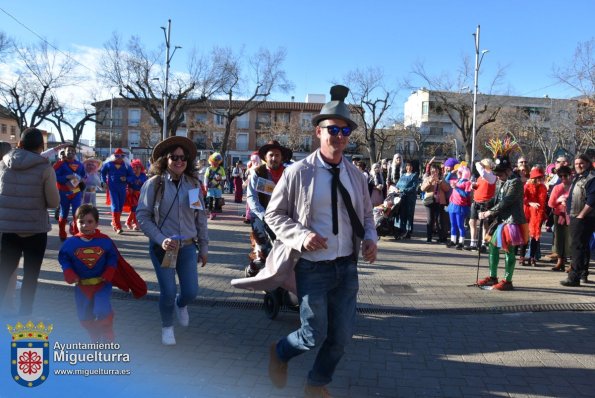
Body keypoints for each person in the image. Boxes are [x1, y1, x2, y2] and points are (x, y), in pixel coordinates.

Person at [264, 85, 377, 397]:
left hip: (347, 266)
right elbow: (273, 215)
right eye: (332, 129)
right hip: (313, 268)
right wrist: (301, 236)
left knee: (340, 337)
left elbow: (367, 216)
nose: (339, 135)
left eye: (344, 130)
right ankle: (281, 351)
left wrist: (370, 238)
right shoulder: (298, 172)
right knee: (314, 334)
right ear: (318, 131)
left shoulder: (356, 175)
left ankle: (316, 383)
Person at [136, 136, 209, 345]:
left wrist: (204, 246)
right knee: (168, 292)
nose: (179, 161)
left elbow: (200, 217)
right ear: (164, 160)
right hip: (164, 249)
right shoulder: (154, 184)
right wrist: (161, 239)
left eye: (183, 157)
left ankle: (181, 304)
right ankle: (167, 326)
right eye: (174, 157)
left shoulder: (193, 185)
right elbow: (142, 216)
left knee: (190, 292)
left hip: (187, 247)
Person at [0, 128, 60, 315]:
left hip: (8, 228)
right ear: (40, 147)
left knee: (4, 273)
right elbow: (53, 202)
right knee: (30, 276)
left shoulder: (4, 164)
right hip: (35, 229)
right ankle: (25, 313)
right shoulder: (45, 168)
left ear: (20, 143)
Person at [58, 205, 118, 342]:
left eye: (90, 222)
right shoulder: (70, 243)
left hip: (101, 284)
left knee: (102, 310)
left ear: (97, 223)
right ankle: (94, 333)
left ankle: (107, 329)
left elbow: (112, 257)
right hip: (82, 286)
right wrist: (68, 271)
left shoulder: (105, 241)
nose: (85, 225)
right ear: (75, 223)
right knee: (84, 315)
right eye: (81, 222)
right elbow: (64, 258)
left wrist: (110, 270)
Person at [478, 139, 529, 291]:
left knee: (509, 250)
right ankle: (492, 276)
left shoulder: (515, 182)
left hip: (512, 220)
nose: (498, 176)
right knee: (493, 246)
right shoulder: (502, 180)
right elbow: (496, 197)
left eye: (500, 173)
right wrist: (485, 203)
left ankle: (508, 280)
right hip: (501, 219)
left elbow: (505, 202)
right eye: (497, 173)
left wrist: (489, 212)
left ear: (508, 170)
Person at [245, 140, 292, 277]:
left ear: (282, 157)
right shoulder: (257, 173)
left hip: (283, 217)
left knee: (282, 250)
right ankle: (254, 266)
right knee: (263, 250)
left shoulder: (289, 173)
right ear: (265, 157)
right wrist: (264, 216)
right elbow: (251, 198)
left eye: (277, 155)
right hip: (262, 216)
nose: (274, 158)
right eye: (271, 155)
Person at [560, 154, 595, 286]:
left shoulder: (591, 178)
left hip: (584, 217)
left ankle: (574, 277)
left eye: (581, 163)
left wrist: (581, 215)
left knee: (577, 246)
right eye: (576, 164)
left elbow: (592, 200)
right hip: (576, 215)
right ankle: (582, 275)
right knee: (582, 246)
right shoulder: (578, 177)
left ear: (588, 163)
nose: (578, 165)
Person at [55, 145, 86, 240]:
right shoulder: (59, 165)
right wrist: (66, 177)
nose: (71, 152)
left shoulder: (80, 165)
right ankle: (62, 232)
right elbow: (53, 177)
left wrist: (81, 180)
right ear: (65, 152)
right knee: (64, 213)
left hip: (76, 192)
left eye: (73, 151)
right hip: (64, 192)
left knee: (76, 213)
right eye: (68, 151)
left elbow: (84, 177)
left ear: (75, 153)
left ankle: (77, 233)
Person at [466, 159, 496, 251]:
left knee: (485, 223)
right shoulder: (481, 177)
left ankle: (484, 243)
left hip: (485, 202)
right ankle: (473, 243)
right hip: (476, 201)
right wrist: (473, 186)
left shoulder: (491, 176)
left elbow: (482, 172)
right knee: (472, 222)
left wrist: (478, 164)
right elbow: (480, 185)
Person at [520, 166, 548, 266]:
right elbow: (522, 198)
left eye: (541, 177)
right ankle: (522, 257)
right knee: (525, 236)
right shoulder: (527, 186)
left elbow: (544, 202)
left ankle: (532, 257)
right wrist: (531, 203)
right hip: (527, 213)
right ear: (533, 178)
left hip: (538, 215)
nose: (540, 179)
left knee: (535, 237)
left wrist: (543, 214)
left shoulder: (543, 188)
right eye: (538, 178)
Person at [101, 148, 133, 234]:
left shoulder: (126, 165)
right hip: (112, 189)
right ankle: (118, 227)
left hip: (122, 189)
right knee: (115, 206)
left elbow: (131, 176)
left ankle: (114, 222)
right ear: (113, 156)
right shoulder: (109, 164)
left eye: (121, 156)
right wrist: (103, 182)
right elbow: (103, 173)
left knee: (120, 206)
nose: (119, 157)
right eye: (117, 155)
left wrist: (126, 179)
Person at [547, 165, 572, 272]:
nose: (563, 178)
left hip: (571, 215)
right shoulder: (557, 187)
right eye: (560, 176)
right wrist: (558, 200)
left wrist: (568, 201)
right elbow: (550, 203)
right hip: (559, 215)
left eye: (565, 175)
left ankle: (572, 263)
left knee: (570, 239)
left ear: (570, 175)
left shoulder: (574, 186)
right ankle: (560, 261)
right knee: (559, 238)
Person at [420, 162, 450, 243]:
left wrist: (440, 182)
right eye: (432, 171)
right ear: (430, 171)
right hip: (429, 201)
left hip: (440, 202)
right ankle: (429, 238)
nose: (434, 173)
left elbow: (447, 188)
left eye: (436, 171)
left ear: (438, 171)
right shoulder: (427, 178)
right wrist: (430, 182)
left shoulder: (442, 178)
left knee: (439, 220)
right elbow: (422, 189)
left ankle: (442, 237)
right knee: (430, 220)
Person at [446, 164, 472, 249]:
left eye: (459, 172)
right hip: (452, 205)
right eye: (458, 172)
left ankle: (461, 242)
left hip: (460, 206)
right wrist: (451, 172)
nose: (458, 173)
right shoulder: (456, 180)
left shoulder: (467, 183)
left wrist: (456, 188)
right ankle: (453, 240)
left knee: (460, 225)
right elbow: (446, 180)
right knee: (453, 224)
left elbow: (466, 195)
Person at [394, 160, 419, 239]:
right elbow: (397, 185)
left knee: (409, 214)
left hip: (410, 198)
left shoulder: (414, 175)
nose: (409, 167)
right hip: (401, 197)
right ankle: (401, 229)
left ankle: (408, 231)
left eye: (410, 166)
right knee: (401, 214)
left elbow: (414, 187)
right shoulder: (403, 175)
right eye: (407, 166)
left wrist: (404, 190)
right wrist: (396, 189)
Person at [125, 159, 148, 231]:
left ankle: (128, 222)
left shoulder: (143, 175)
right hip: (133, 195)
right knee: (135, 209)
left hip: (141, 195)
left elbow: (145, 182)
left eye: (138, 167)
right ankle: (136, 223)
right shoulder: (131, 175)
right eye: (135, 167)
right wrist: (129, 187)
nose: (137, 169)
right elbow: (127, 182)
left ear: (141, 168)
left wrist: (140, 181)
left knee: (136, 210)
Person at [204, 152, 226, 219]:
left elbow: (224, 177)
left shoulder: (221, 169)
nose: (216, 162)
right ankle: (211, 212)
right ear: (211, 160)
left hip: (218, 187)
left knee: (217, 201)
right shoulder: (209, 169)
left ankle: (214, 213)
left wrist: (221, 178)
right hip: (210, 187)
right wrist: (205, 185)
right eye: (215, 161)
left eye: (218, 161)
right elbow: (206, 177)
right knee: (210, 200)